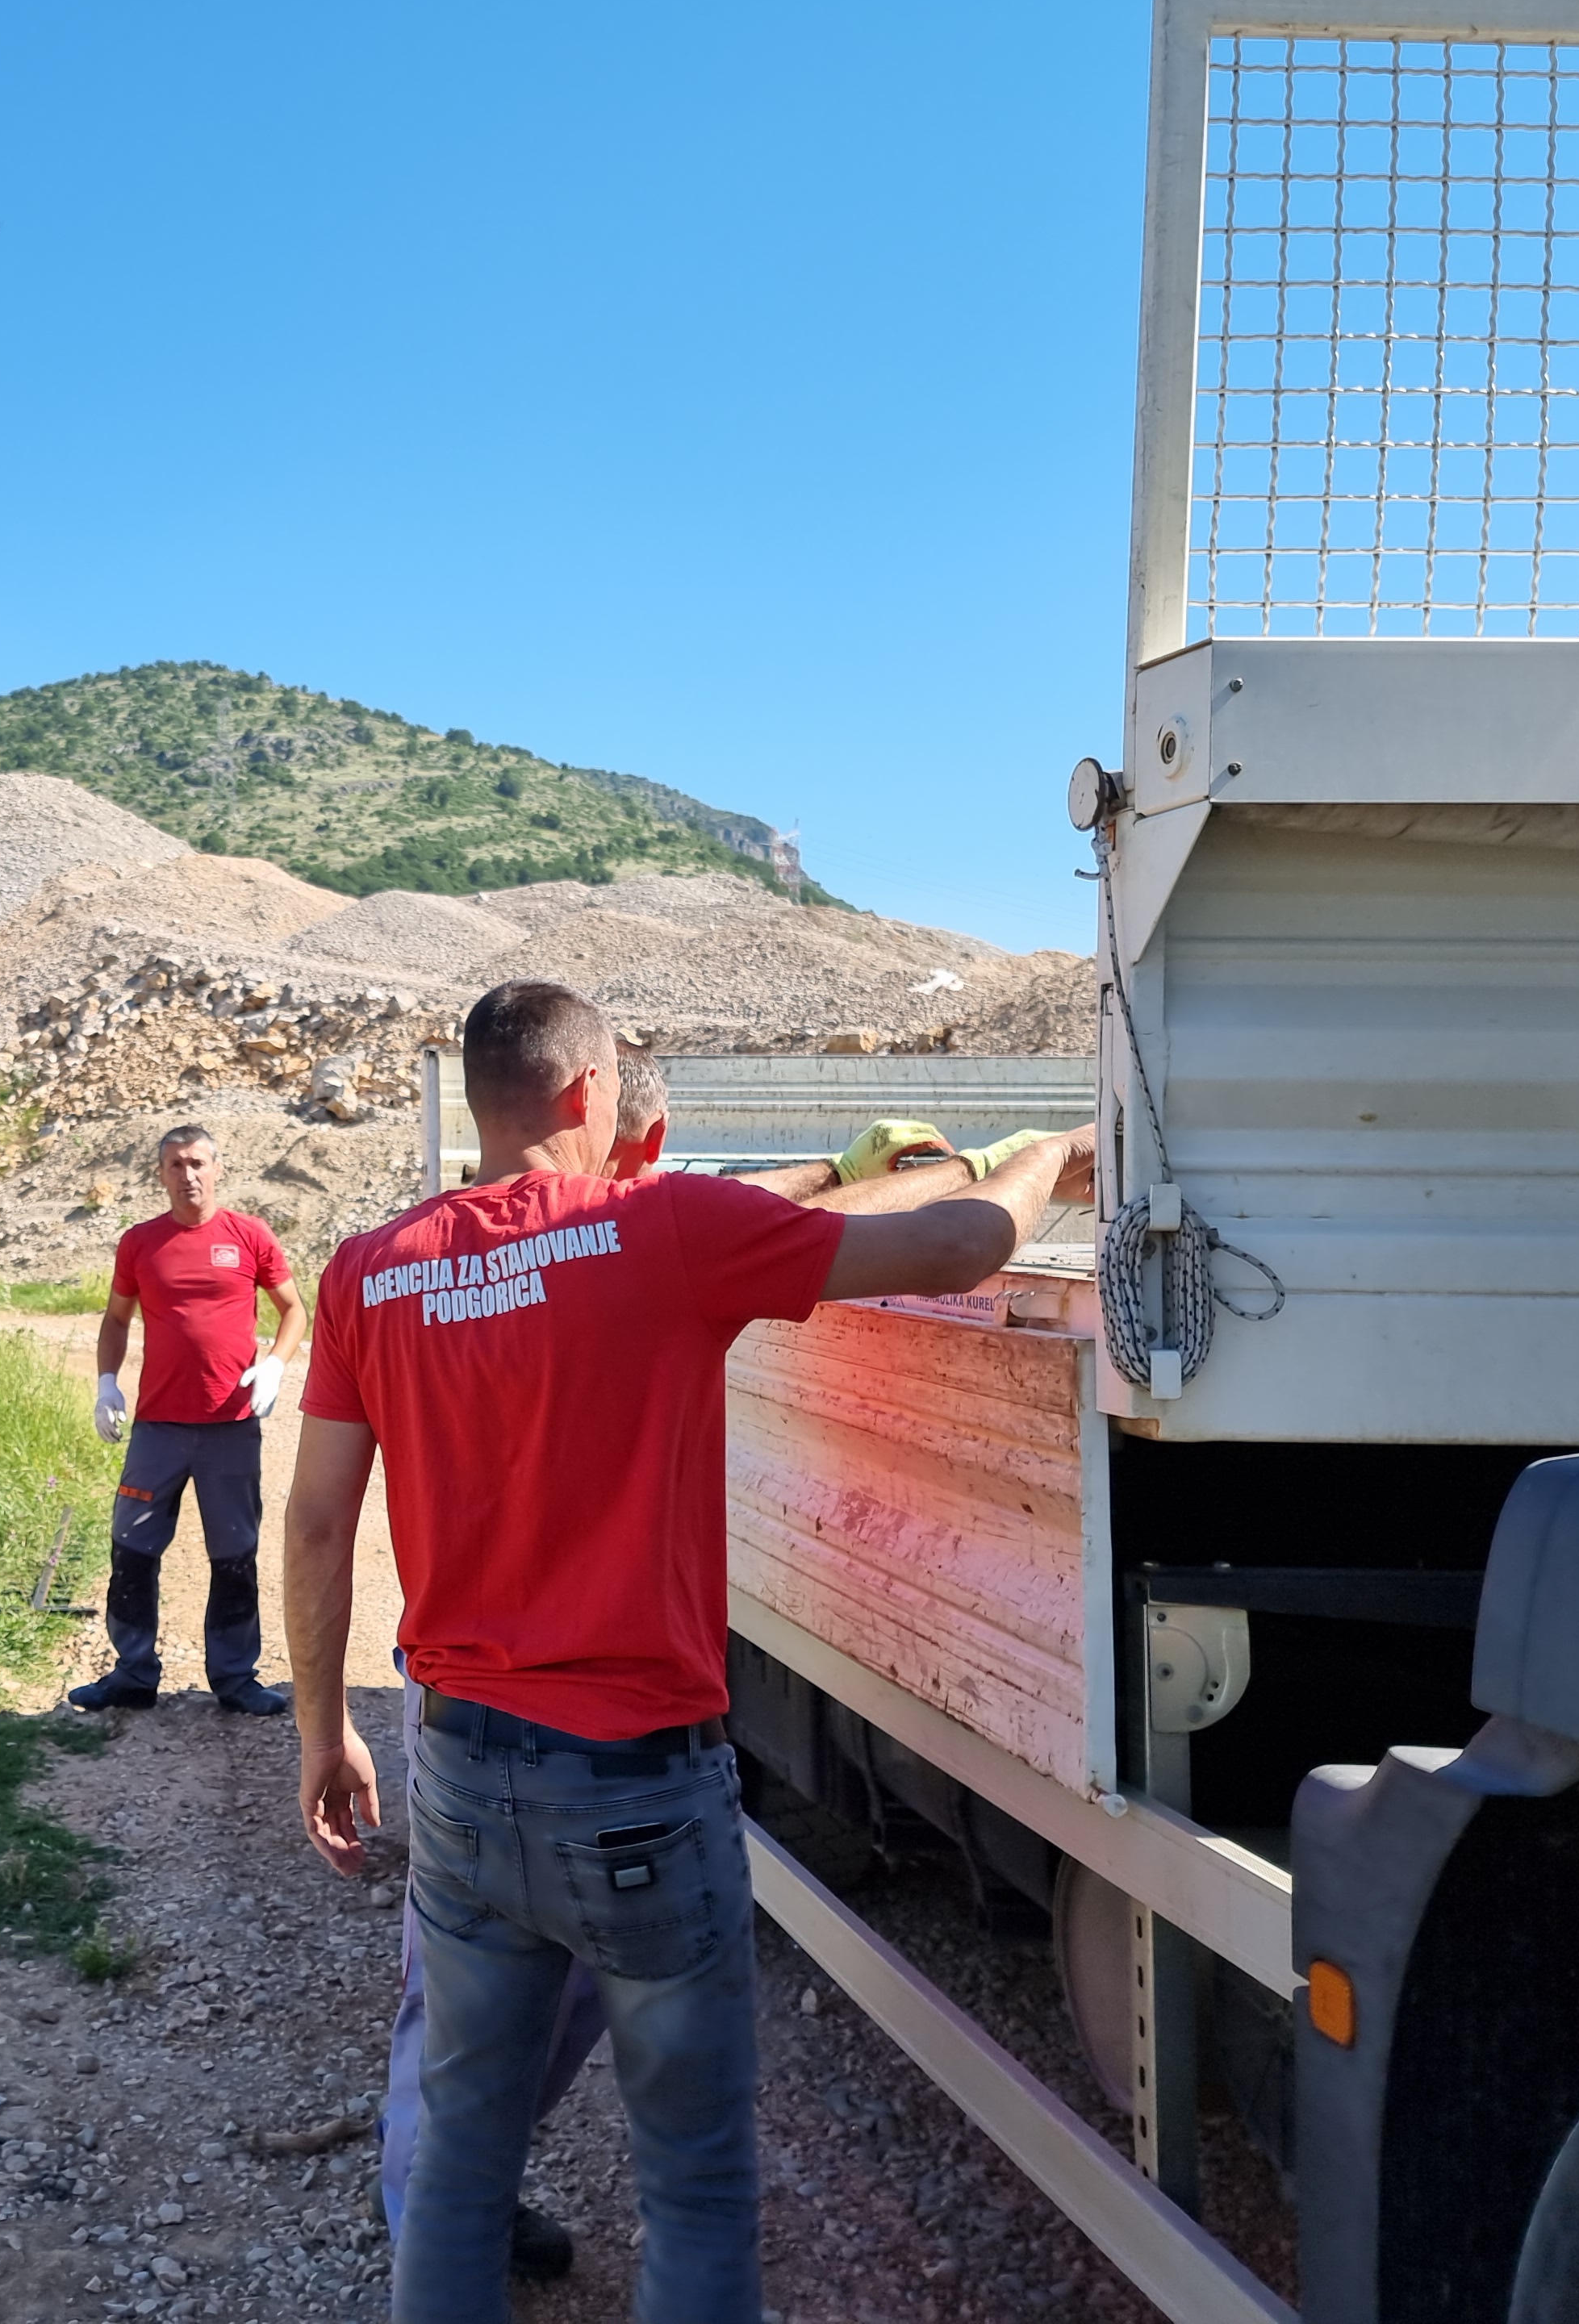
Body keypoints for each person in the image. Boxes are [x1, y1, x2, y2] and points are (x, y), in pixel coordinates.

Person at [286, 983, 1088, 2322]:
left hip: (464, 1774)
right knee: (696, 2189)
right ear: (593, 1097)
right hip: (639, 1793)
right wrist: (1039, 1163)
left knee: (460, 2173)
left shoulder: (370, 1270)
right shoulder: (656, 1232)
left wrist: (322, 1729)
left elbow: (314, 1524)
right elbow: (956, 1250)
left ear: (488, 1099)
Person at [69, 1123, 309, 1717]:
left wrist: (275, 1365)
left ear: (218, 1169)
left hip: (230, 1425)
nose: (188, 1175)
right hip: (158, 1428)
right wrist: (106, 1383)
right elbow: (117, 1319)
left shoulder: (248, 1235)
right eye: (175, 1165)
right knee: (132, 1546)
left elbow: (294, 1310)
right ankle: (133, 1673)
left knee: (234, 1554)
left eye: (198, 1162)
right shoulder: (140, 1242)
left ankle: (234, 1678)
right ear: (161, 1174)